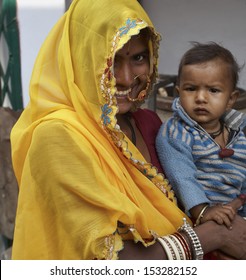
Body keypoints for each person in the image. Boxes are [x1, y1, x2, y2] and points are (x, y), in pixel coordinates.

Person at [10, 0, 246, 260]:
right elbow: (116, 261)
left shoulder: (148, 122)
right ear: (82, 59)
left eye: (138, 58)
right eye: (110, 60)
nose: (125, 78)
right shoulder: (58, 136)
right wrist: (217, 235)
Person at [156, 42, 246, 230]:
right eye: (191, 89)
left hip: (235, 216)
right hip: (197, 220)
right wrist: (203, 210)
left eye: (213, 90)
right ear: (178, 93)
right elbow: (181, 176)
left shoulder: (238, 133)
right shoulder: (177, 132)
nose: (201, 98)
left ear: (230, 99)